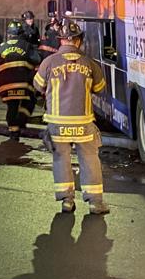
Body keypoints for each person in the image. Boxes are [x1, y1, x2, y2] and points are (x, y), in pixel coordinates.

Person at [34, 20, 109, 215]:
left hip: (57, 124)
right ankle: (95, 203)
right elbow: (100, 89)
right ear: (78, 41)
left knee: (61, 158)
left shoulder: (49, 62)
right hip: (83, 123)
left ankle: (67, 201)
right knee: (90, 158)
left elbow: (37, 85)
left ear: (61, 41)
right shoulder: (89, 63)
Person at [0, 20, 39, 141]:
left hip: (6, 85)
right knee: (30, 101)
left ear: (8, 34)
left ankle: (13, 132)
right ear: (21, 33)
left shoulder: (2, 48)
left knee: (12, 107)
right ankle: (21, 121)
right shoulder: (26, 45)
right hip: (23, 84)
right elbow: (36, 59)